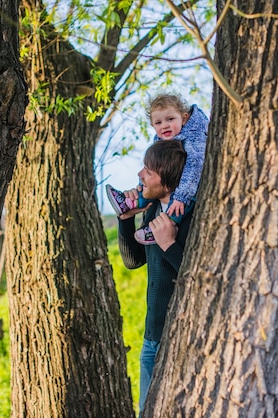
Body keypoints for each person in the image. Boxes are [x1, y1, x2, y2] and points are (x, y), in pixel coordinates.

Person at [115, 140, 191, 415]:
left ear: (168, 182)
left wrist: (169, 244)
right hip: (152, 337)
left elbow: (196, 280)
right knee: (148, 410)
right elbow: (134, 260)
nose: (140, 175)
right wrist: (125, 220)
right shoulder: (155, 211)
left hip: (181, 338)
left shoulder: (190, 218)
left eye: (149, 170)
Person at [106, 93, 208, 245]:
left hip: (191, 185)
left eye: (170, 119)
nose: (164, 125)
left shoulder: (195, 137)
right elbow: (133, 261)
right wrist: (140, 191)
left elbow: (195, 166)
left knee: (182, 202)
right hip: (171, 187)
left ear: (184, 118)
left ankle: (170, 221)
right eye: (158, 123)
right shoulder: (161, 140)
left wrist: (181, 196)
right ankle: (130, 203)